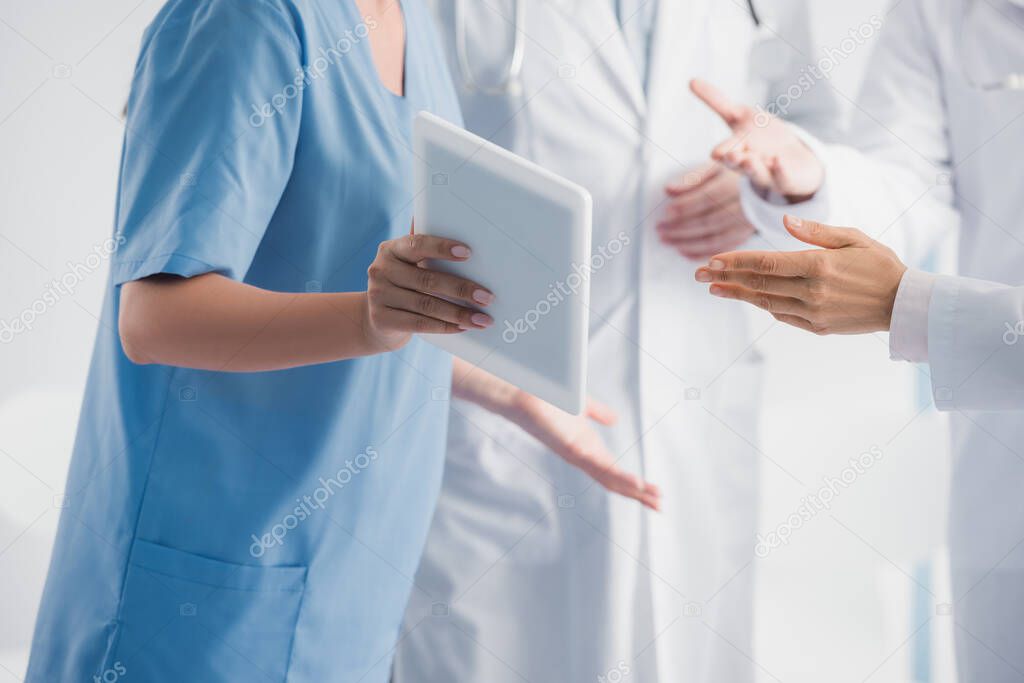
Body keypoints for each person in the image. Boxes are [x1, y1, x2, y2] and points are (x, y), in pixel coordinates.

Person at [24, 1, 654, 681]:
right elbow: (153, 318)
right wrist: (365, 320)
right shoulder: (247, 19)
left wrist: (501, 386)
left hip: (345, 602)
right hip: (209, 601)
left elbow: (344, 282)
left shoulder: (411, 23)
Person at [394, 1, 840, 681]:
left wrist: (771, 180)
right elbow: (376, 147)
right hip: (494, 417)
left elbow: (821, 132)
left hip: (696, 389)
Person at [689, 0, 1024, 678]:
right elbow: (905, 185)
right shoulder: (945, 12)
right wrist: (810, 174)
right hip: (1004, 492)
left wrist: (917, 308)